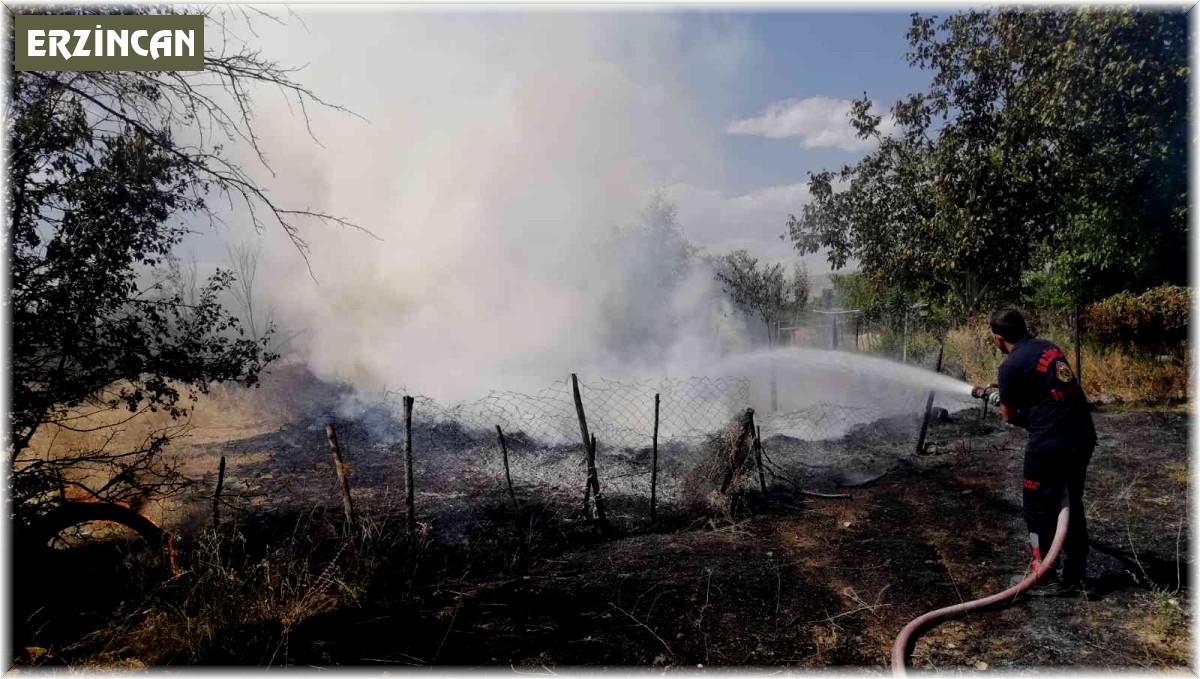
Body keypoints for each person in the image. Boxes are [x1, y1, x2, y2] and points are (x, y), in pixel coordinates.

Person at [988, 308, 1096, 597]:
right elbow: (1048, 390)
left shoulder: (1009, 365)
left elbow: (1009, 416)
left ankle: (1043, 574)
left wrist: (1006, 401)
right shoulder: (1049, 347)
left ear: (998, 338)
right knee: (1070, 502)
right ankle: (1075, 574)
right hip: (1082, 436)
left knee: (1038, 508)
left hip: (1050, 444)